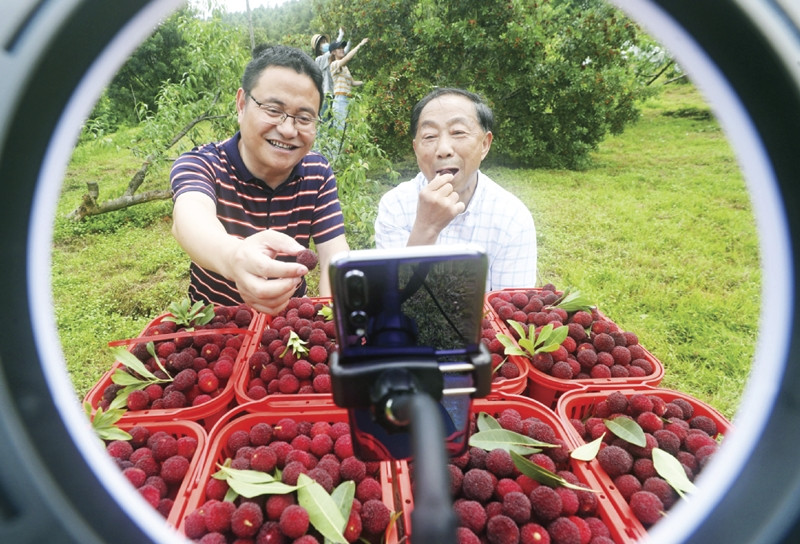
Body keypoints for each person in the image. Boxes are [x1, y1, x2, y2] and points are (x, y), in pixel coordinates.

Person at [170, 45, 349, 315]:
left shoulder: (317, 172)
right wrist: (234, 258)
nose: (288, 129)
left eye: (304, 117)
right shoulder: (203, 164)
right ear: (242, 104)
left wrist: (335, 322)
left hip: (286, 327)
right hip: (216, 326)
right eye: (273, 110)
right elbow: (189, 219)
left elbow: (335, 257)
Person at [374, 87, 537, 290]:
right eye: (430, 136)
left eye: (458, 132)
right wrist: (425, 228)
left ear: (485, 144)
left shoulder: (512, 218)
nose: (443, 149)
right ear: (416, 148)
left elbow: (510, 313)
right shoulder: (395, 205)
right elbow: (392, 300)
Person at [329, 37, 369, 130]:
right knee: (340, 129)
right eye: (339, 48)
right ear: (333, 52)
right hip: (340, 100)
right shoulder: (334, 64)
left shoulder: (345, 68)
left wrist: (366, 82)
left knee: (345, 131)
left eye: (343, 47)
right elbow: (347, 58)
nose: (342, 49)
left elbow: (353, 83)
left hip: (347, 99)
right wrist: (360, 45)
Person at [311, 28, 346, 120]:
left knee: (333, 123)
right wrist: (340, 35)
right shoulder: (319, 59)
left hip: (334, 94)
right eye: (322, 42)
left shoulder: (332, 59)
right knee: (325, 122)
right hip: (326, 95)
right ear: (318, 47)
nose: (325, 43)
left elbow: (343, 52)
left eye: (325, 41)